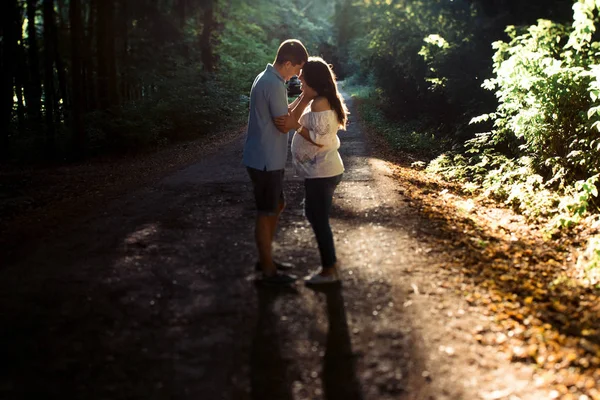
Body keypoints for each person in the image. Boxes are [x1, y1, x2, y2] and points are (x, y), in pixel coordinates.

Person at [274, 57, 348, 285]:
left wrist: (296, 127)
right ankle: (330, 266)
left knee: (319, 218)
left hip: (323, 171)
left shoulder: (321, 103)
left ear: (314, 77)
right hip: (319, 171)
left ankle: (329, 270)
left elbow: (322, 140)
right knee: (314, 215)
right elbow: (289, 115)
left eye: (303, 73)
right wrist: (303, 96)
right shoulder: (314, 99)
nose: (299, 76)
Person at [243, 39, 309, 285]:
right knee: (267, 210)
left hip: (266, 158)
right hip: (265, 159)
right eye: (298, 68)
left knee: (277, 205)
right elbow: (284, 125)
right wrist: (305, 99)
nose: (299, 74)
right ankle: (267, 269)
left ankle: (266, 257)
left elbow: (283, 114)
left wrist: (299, 101)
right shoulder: (272, 83)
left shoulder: (269, 78)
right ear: (288, 63)